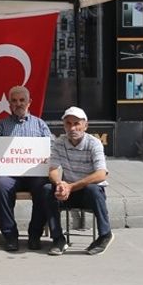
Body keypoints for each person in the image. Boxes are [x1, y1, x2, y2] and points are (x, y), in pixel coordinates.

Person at [0, 85, 53, 252]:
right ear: (9, 104)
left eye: (22, 100)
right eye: (14, 101)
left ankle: (35, 234)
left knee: (45, 188)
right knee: (1, 186)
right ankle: (10, 236)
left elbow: (52, 149)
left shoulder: (40, 125)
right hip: (10, 174)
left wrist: (48, 159)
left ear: (29, 102)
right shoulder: (2, 125)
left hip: (35, 174)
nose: (18, 104)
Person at [46, 107, 114, 256]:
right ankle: (58, 239)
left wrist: (71, 186)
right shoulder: (59, 142)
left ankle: (105, 234)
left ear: (85, 125)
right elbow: (52, 169)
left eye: (77, 123)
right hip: (69, 191)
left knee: (93, 189)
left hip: (88, 194)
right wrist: (60, 184)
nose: (73, 128)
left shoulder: (94, 143)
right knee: (47, 189)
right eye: (68, 124)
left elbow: (101, 174)